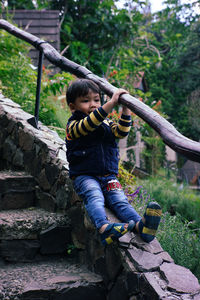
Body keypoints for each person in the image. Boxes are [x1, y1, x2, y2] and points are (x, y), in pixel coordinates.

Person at [66, 78, 161, 246]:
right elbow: (91, 123)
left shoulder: (106, 122)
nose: (93, 104)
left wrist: (125, 108)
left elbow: (121, 132)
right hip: (85, 176)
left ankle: (141, 227)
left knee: (120, 201)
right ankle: (104, 228)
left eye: (96, 99)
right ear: (73, 107)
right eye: (86, 101)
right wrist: (111, 103)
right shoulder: (74, 125)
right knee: (94, 196)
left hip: (108, 176)